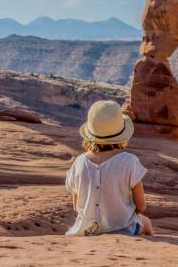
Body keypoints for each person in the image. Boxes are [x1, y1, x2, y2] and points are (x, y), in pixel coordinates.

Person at [65, 100, 153, 236]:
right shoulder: (129, 161)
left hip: (85, 231)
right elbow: (141, 206)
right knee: (146, 223)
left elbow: (77, 207)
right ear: (121, 134)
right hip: (123, 229)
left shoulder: (79, 162)